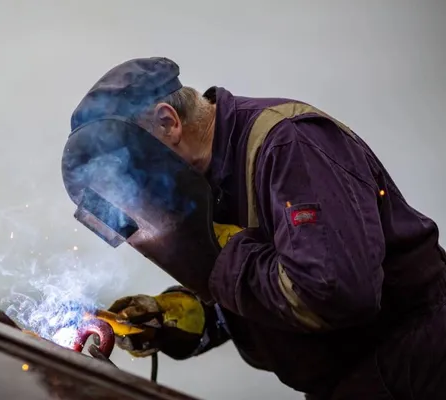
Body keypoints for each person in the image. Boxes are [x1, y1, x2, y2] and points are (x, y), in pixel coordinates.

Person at [67, 57, 446, 399]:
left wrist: (220, 267)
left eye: (133, 169)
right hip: (349, 383)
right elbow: (257, 286)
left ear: (169, 122)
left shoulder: (288, 146)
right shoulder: (205, 184)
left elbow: (334, 292)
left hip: (417, 366)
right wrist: (175, 315)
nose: (140, 191)